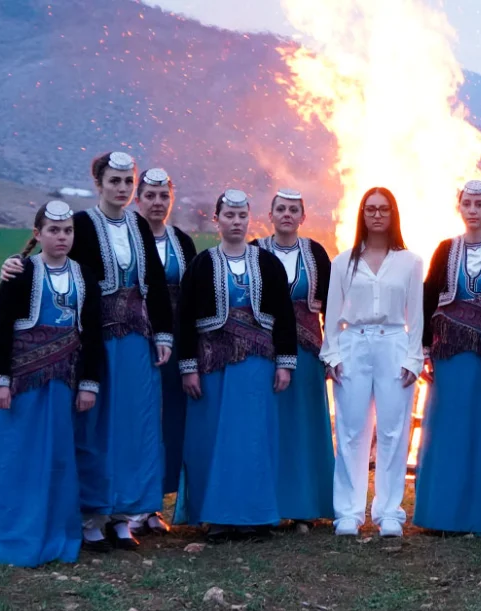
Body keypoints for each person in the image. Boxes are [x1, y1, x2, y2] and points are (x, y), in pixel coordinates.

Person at [0, 152, 173, 551]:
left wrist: (163, 333)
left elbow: (155, 282)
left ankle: (122, 516)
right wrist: (13, 266)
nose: (123, 189)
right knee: (95, 427)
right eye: (115, 181)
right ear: (99, 183)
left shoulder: (139, 225)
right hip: (96, 341)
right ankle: (90, 516)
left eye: (128, 182)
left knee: (133, 425)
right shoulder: (79, 224)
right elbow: (51, 261)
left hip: (137, 341)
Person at [0, 201, 101, 567]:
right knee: (17, 455)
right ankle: (8, 536)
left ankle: (54, 534)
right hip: (23, 385)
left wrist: (89, 383)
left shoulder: (84, 276)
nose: (62, 237)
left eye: (67, 231)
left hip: (64, 384)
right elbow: (0, 328)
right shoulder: (20, 272)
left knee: (58, 458)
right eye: (53, 230)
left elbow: (92, 335)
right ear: (38, 233)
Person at [176, 189, 297, 541]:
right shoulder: (201, 264)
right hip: (213, 366)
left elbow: (284, 316)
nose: (236, 222)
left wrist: (285, 363)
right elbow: (184, 317)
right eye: (229, 215)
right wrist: (188, 367)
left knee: (252, 439)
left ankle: (254, 517)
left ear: (249, 219)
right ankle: (217, 517)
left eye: (242, 216)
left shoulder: (268, 264)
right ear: (217, 220)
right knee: (214, 439)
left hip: (257, 367)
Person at [414, 179, 481, 535]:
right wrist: (425, 349)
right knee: (447, 430)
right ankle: (441, 515)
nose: (473, 210)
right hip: (450, 357)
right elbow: (428, 298)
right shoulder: (445, 250)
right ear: (459, 209)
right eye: (467, 204)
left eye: (479, 204)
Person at [321, 187, 424, 538]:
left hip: (393, 342)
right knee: (351, 430)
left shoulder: (410, 262)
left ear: (393, 214)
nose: (377, 215)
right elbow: (332, 313)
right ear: (362, 215)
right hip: (353, 343)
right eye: (370, 209)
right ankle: (348, 512)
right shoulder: (343, 262)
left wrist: (414, 356)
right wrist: (332, 353)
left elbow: (416, 315)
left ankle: (389, 512)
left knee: (394, 429)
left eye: (383, 209)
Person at [254, 189, 335, 529]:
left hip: (307, 353)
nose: (287, 214)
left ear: (303, 217)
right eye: (281, 209)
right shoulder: (255, 251)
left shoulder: (315, 253)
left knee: (303, 427)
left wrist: (332, 352)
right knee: (269, 426)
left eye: (293, 210)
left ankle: (304, 507)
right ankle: (267, 505)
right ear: (270, 214)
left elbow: (333, 307)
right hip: (264, 350)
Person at [134, 168, 197, 526]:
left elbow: (192, 300)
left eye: (164, 196)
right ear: (137, 199)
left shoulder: (182, 242)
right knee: (137, 417)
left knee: (169, 420)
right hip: (134, 338)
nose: (157, 203)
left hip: (172, 343)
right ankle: (131, 503)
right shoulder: (125, 238)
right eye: (150, 196)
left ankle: (154, 503)